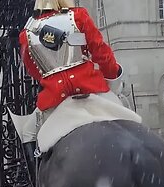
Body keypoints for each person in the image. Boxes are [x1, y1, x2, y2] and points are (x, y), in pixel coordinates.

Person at [18, 0, 125, 166]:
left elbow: (34, 70)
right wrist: (113, 72)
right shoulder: (78, 16)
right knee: (129, 119)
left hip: (56, 98)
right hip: (91, 88)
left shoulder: (27, 33)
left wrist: (54, 78)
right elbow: (100, 52)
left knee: (28, 133)